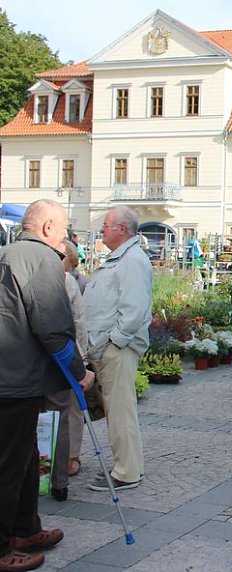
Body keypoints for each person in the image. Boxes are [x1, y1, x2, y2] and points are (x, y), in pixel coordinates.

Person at [0, 199, 94, 572]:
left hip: (15, 377)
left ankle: (24, 528)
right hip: (15, 380)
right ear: (47, 227)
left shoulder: (6, 252)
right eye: (64, 227)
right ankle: (4, 545)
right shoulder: (41, 260)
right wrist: (79, 372)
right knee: (9, 466)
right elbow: (54, 328)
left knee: (23, 461)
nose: (66, 236)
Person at [84, 206, 153, 492]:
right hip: (108, 347)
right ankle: (129, 466)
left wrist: (114, 340)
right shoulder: (122, 258)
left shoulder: (132, 260)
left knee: (120, 411)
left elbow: (134, 310)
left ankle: (126, 473)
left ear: (122, 229)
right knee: (119, 411)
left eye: (106, 225)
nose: (102, 229)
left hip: (116, 349)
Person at [61, 240, 89, 482]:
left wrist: (81, 358)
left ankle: (73, 455)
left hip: (68, 351)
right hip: (63, 350)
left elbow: (79, 322)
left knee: (72, 404)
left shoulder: (70, 282)